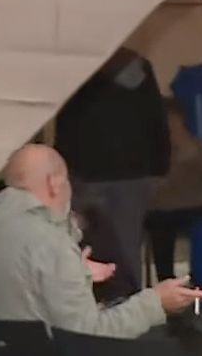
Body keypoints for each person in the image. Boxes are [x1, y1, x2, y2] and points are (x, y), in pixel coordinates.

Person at [0, 144, 202, 338]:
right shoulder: (49, 242)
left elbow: (28, 292)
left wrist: (76, 271)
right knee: (155, 343)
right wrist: (155, 302)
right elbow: (88, 337)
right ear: (54, 184)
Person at [54, 47, 170, 294]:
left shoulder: (80, 67)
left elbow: (66, 122)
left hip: (87, 173)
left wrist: (61, 166)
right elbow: (157, 119)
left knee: (82, 245)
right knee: (127, 248)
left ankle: (95, 306)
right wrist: (160, 168)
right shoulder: (139, 66)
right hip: (131, 174)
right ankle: (127, 307)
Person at [145, 98, 202, 282]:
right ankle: (167, 284)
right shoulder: (152, 150)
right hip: (163, 209)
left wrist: (190, 151)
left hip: (198, 205)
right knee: (160, 230)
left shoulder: (194, 144)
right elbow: (151, 186)